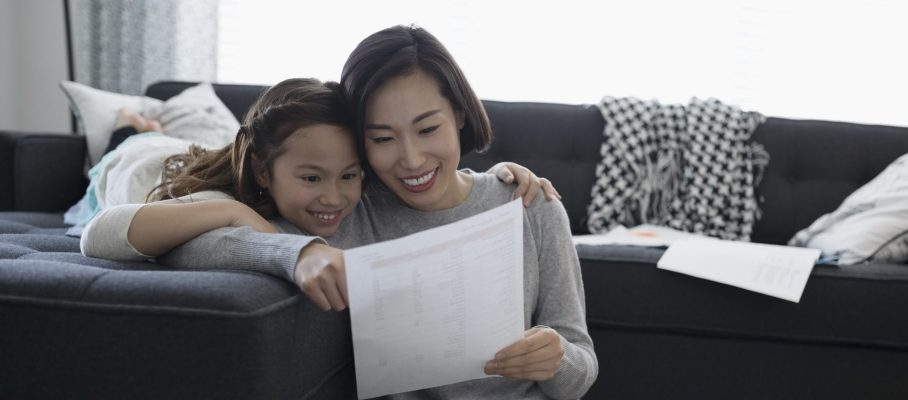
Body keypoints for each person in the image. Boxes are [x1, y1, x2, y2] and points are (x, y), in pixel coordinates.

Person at [81, 78, 558, 297]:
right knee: (134, 140)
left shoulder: (343, 184)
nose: (334, 197)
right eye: (312, 178)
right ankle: (129, 125)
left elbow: (435, 186)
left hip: (232, 153)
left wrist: (496, 176)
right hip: (139, 168)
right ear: (266, 176)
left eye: (350, 175)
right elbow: (98, 236)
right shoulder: (225, 200)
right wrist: (237, 215)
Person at [333, 25, 597, 398]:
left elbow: (579, 373)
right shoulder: (350, 218)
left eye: (427, 129)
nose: (411, 159)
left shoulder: (529, 204)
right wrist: (301, 254)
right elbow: (229, 238)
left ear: (458, 114)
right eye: (383, 138)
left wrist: (559, 358)